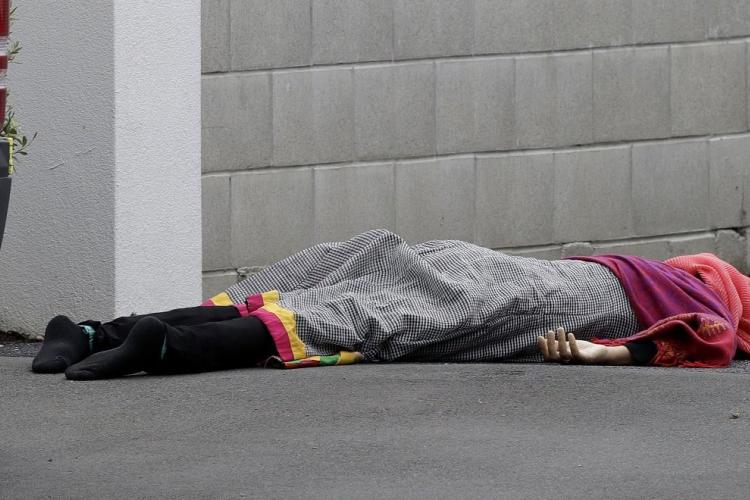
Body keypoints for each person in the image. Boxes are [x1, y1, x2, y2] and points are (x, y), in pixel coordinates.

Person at [31, 230, 750, 380]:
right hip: (545, 296)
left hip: (525, 274)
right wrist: (607, 352)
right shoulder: (711, 295)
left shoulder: (668, 276)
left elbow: (702, 334)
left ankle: (99, 331)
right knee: (391, 311)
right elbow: (710, 336)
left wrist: (606, 350)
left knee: (362, 267)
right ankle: (162, 344)